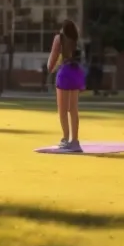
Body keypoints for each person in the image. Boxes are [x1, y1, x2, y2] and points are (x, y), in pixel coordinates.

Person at [48, 20, 87, 152]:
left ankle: (65, 139)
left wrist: (50, 67)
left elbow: (52, 59)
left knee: (63, 110)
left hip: (64, 73)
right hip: (76, 73)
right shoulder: (76, 39)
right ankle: (75, 140)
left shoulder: (59, 38)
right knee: (73, 109)